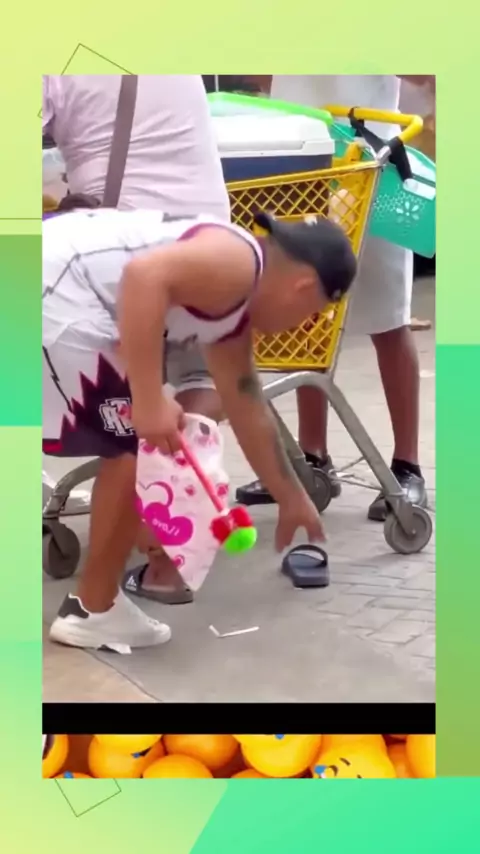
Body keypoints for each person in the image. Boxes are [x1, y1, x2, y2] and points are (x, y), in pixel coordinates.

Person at [43, 206, 357, 651]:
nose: (304, 325)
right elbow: (144, 277)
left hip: (49, 279)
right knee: (139, 443)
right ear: (303, 288)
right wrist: (148, 397)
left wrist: (291, 497)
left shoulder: (232, 311)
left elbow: (245, 401)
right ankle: (94, 609)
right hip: (54, 288)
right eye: (314, 312)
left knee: (136, 439)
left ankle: (97, 605)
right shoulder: (239, 262)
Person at [42, 74, 230, 602]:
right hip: (205, 239)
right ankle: (171, 541)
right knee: (200, 380)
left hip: (115, 252)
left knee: (126, 424)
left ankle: (109, 590)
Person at [237, 75, 433, 520]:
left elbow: (422, 72)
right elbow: (259, 72)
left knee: (389, 316)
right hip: (296, 150)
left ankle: (407, 466)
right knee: (306, 319)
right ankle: (312, 458)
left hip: (370, 155)